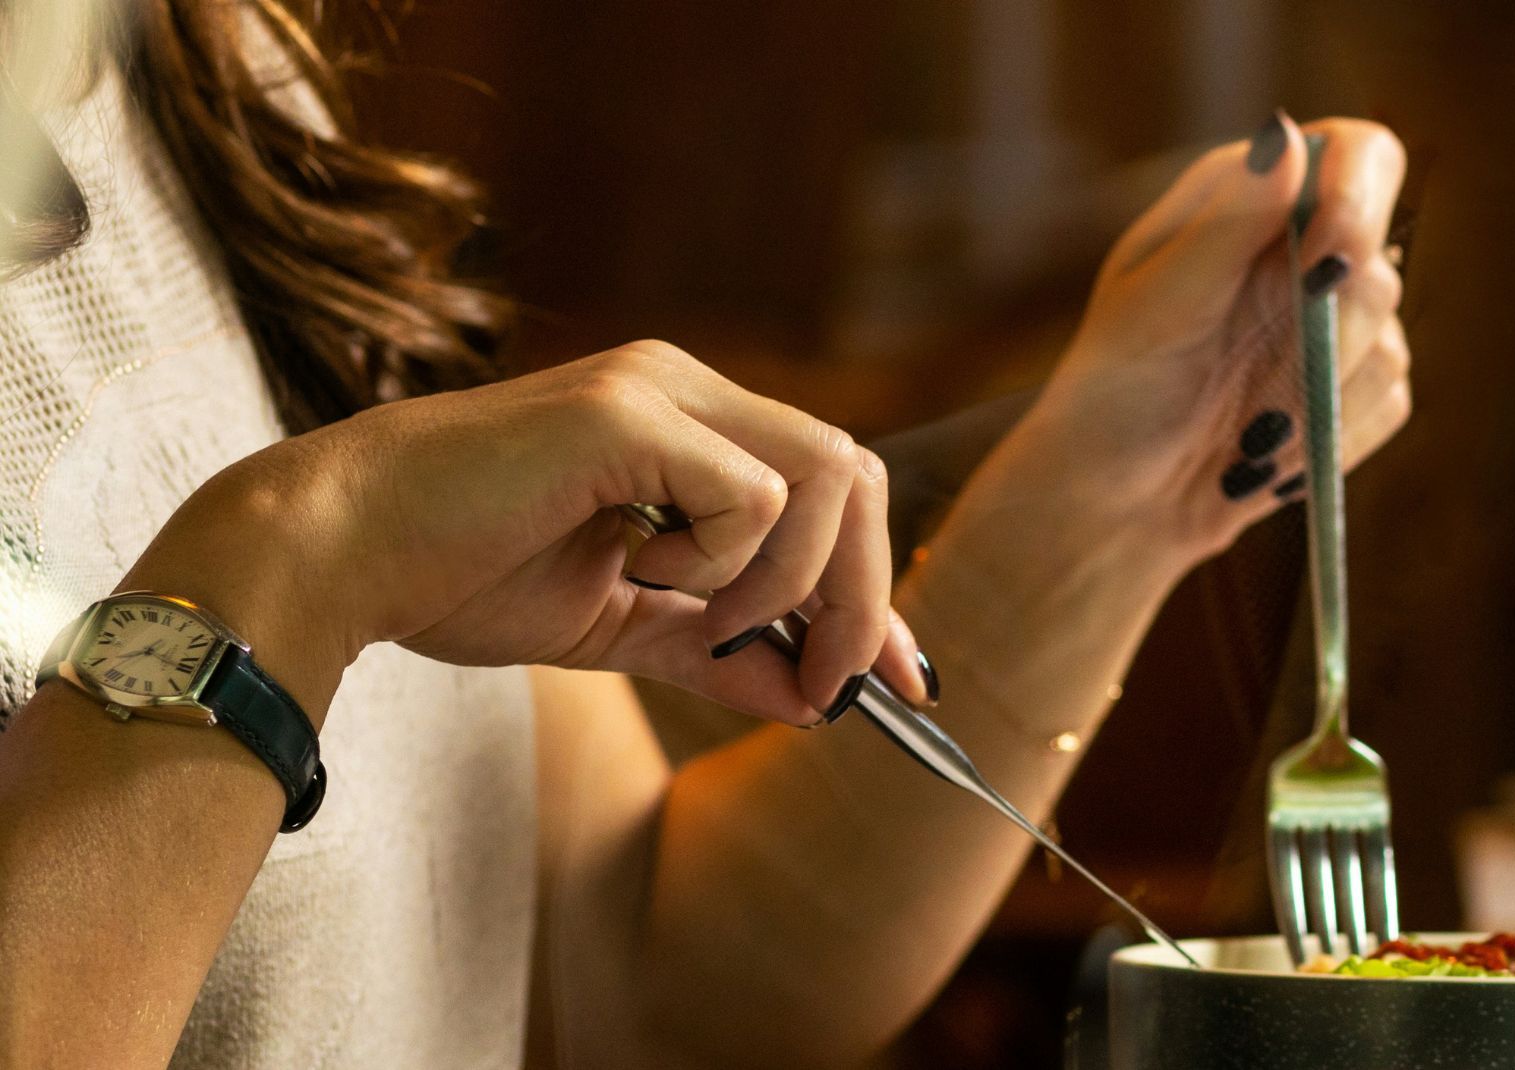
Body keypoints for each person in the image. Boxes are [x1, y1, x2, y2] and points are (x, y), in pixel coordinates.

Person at [0, 1, 1410, 1066]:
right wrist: (292, 566)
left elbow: (630, 955)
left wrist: (1127, 477)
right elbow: (303, 562)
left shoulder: (197, 58)